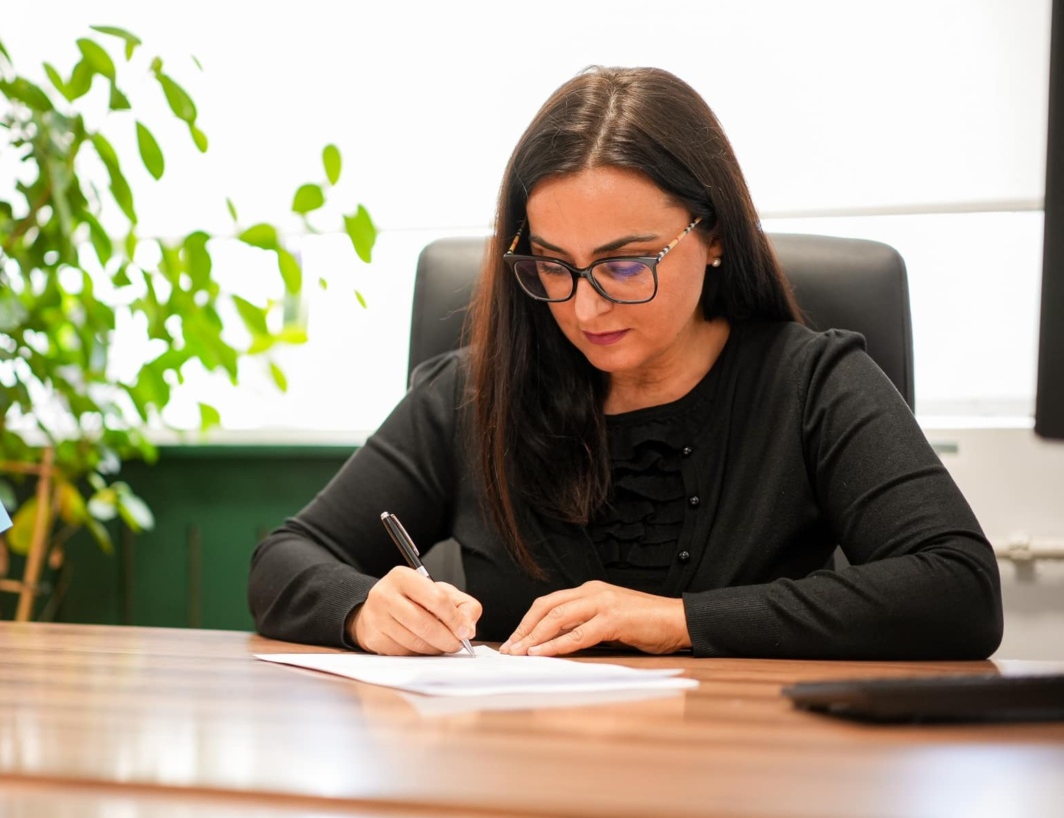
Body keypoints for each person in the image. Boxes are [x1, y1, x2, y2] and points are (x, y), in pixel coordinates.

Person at [248, 66, 1003, 660]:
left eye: (626, 264)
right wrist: (364, 610)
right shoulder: (473, 392)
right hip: (517, 776)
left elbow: (958, 588)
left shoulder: (812, 385)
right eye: (553, 265)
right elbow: (284, 558)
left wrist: (679, 620)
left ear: (713, 235)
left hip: (746, 775)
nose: (585, 309)